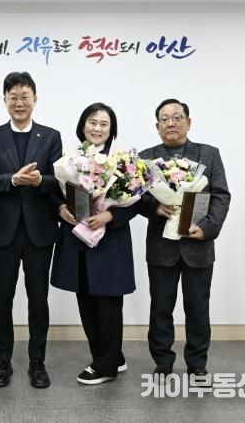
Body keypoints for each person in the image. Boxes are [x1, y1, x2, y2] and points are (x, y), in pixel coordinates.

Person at [0, 71, 62, 389]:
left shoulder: (50, 136)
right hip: (3, 231)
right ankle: (3, 362)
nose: (19, 102)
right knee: (2, 298)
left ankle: (37, 362)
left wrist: (40, 181)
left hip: (40, 230)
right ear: (5, 100)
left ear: (35, 99)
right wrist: (13, 179)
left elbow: (59, 180)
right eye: (13, 97)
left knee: (38, 299)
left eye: (25, 96)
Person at [139, 98, 230, 379]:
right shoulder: (146, 158)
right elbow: (134, 198)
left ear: (188, 122)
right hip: (161, 245)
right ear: (157, 126)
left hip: (198, 244)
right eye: (164, 119)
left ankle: (197, 363)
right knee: (161, 307)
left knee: (198, 307)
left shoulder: (209, 155)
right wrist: (154, 207)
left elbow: (221, 195)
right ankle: (162, 361)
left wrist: (208, 227)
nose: (171, 123)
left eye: (177, 117)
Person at [50, 102, 139, 385]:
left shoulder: (123, 161)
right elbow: (55, 191)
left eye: (103, 124)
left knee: (108, 303)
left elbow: (139, 199)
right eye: (92, 122)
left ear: (111, 130)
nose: (97, 128)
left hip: (110, 240)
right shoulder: (70, 158)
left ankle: (105, 365)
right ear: (82, 125)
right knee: (86, 300)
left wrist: (110, 215)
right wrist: (60, 208)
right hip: (78, 238)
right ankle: (112, 356)